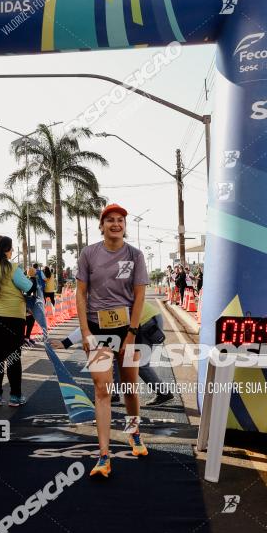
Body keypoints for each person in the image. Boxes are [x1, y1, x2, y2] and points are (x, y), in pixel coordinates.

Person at [76, 203, 149, 479]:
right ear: (102, 225)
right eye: (110, 220)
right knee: (102, 389)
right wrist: (85, 332)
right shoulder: (89, 254)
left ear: (124, 226)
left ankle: (134, 434)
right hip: (98, 330)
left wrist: (131, 333)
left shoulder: (135, 255)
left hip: (129, 329)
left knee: (130, 386)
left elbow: (140, 295)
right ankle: (104, 455)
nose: (116, 224)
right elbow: (80, 294)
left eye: (120, 220)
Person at [51, 299, 174, 407]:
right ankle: (113, 395)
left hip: (146, 322)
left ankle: (164, 394)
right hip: (129, 323)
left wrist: (66, 343)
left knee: (139, 363)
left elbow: (89, 327)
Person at [0, 236, 35, 407]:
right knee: (13, 358)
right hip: (14, 319)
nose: (13, 251)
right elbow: (29, 288)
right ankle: (15, 396)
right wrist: (32, 277)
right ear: (5, 250)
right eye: (11, 248)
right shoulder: (13, 268)